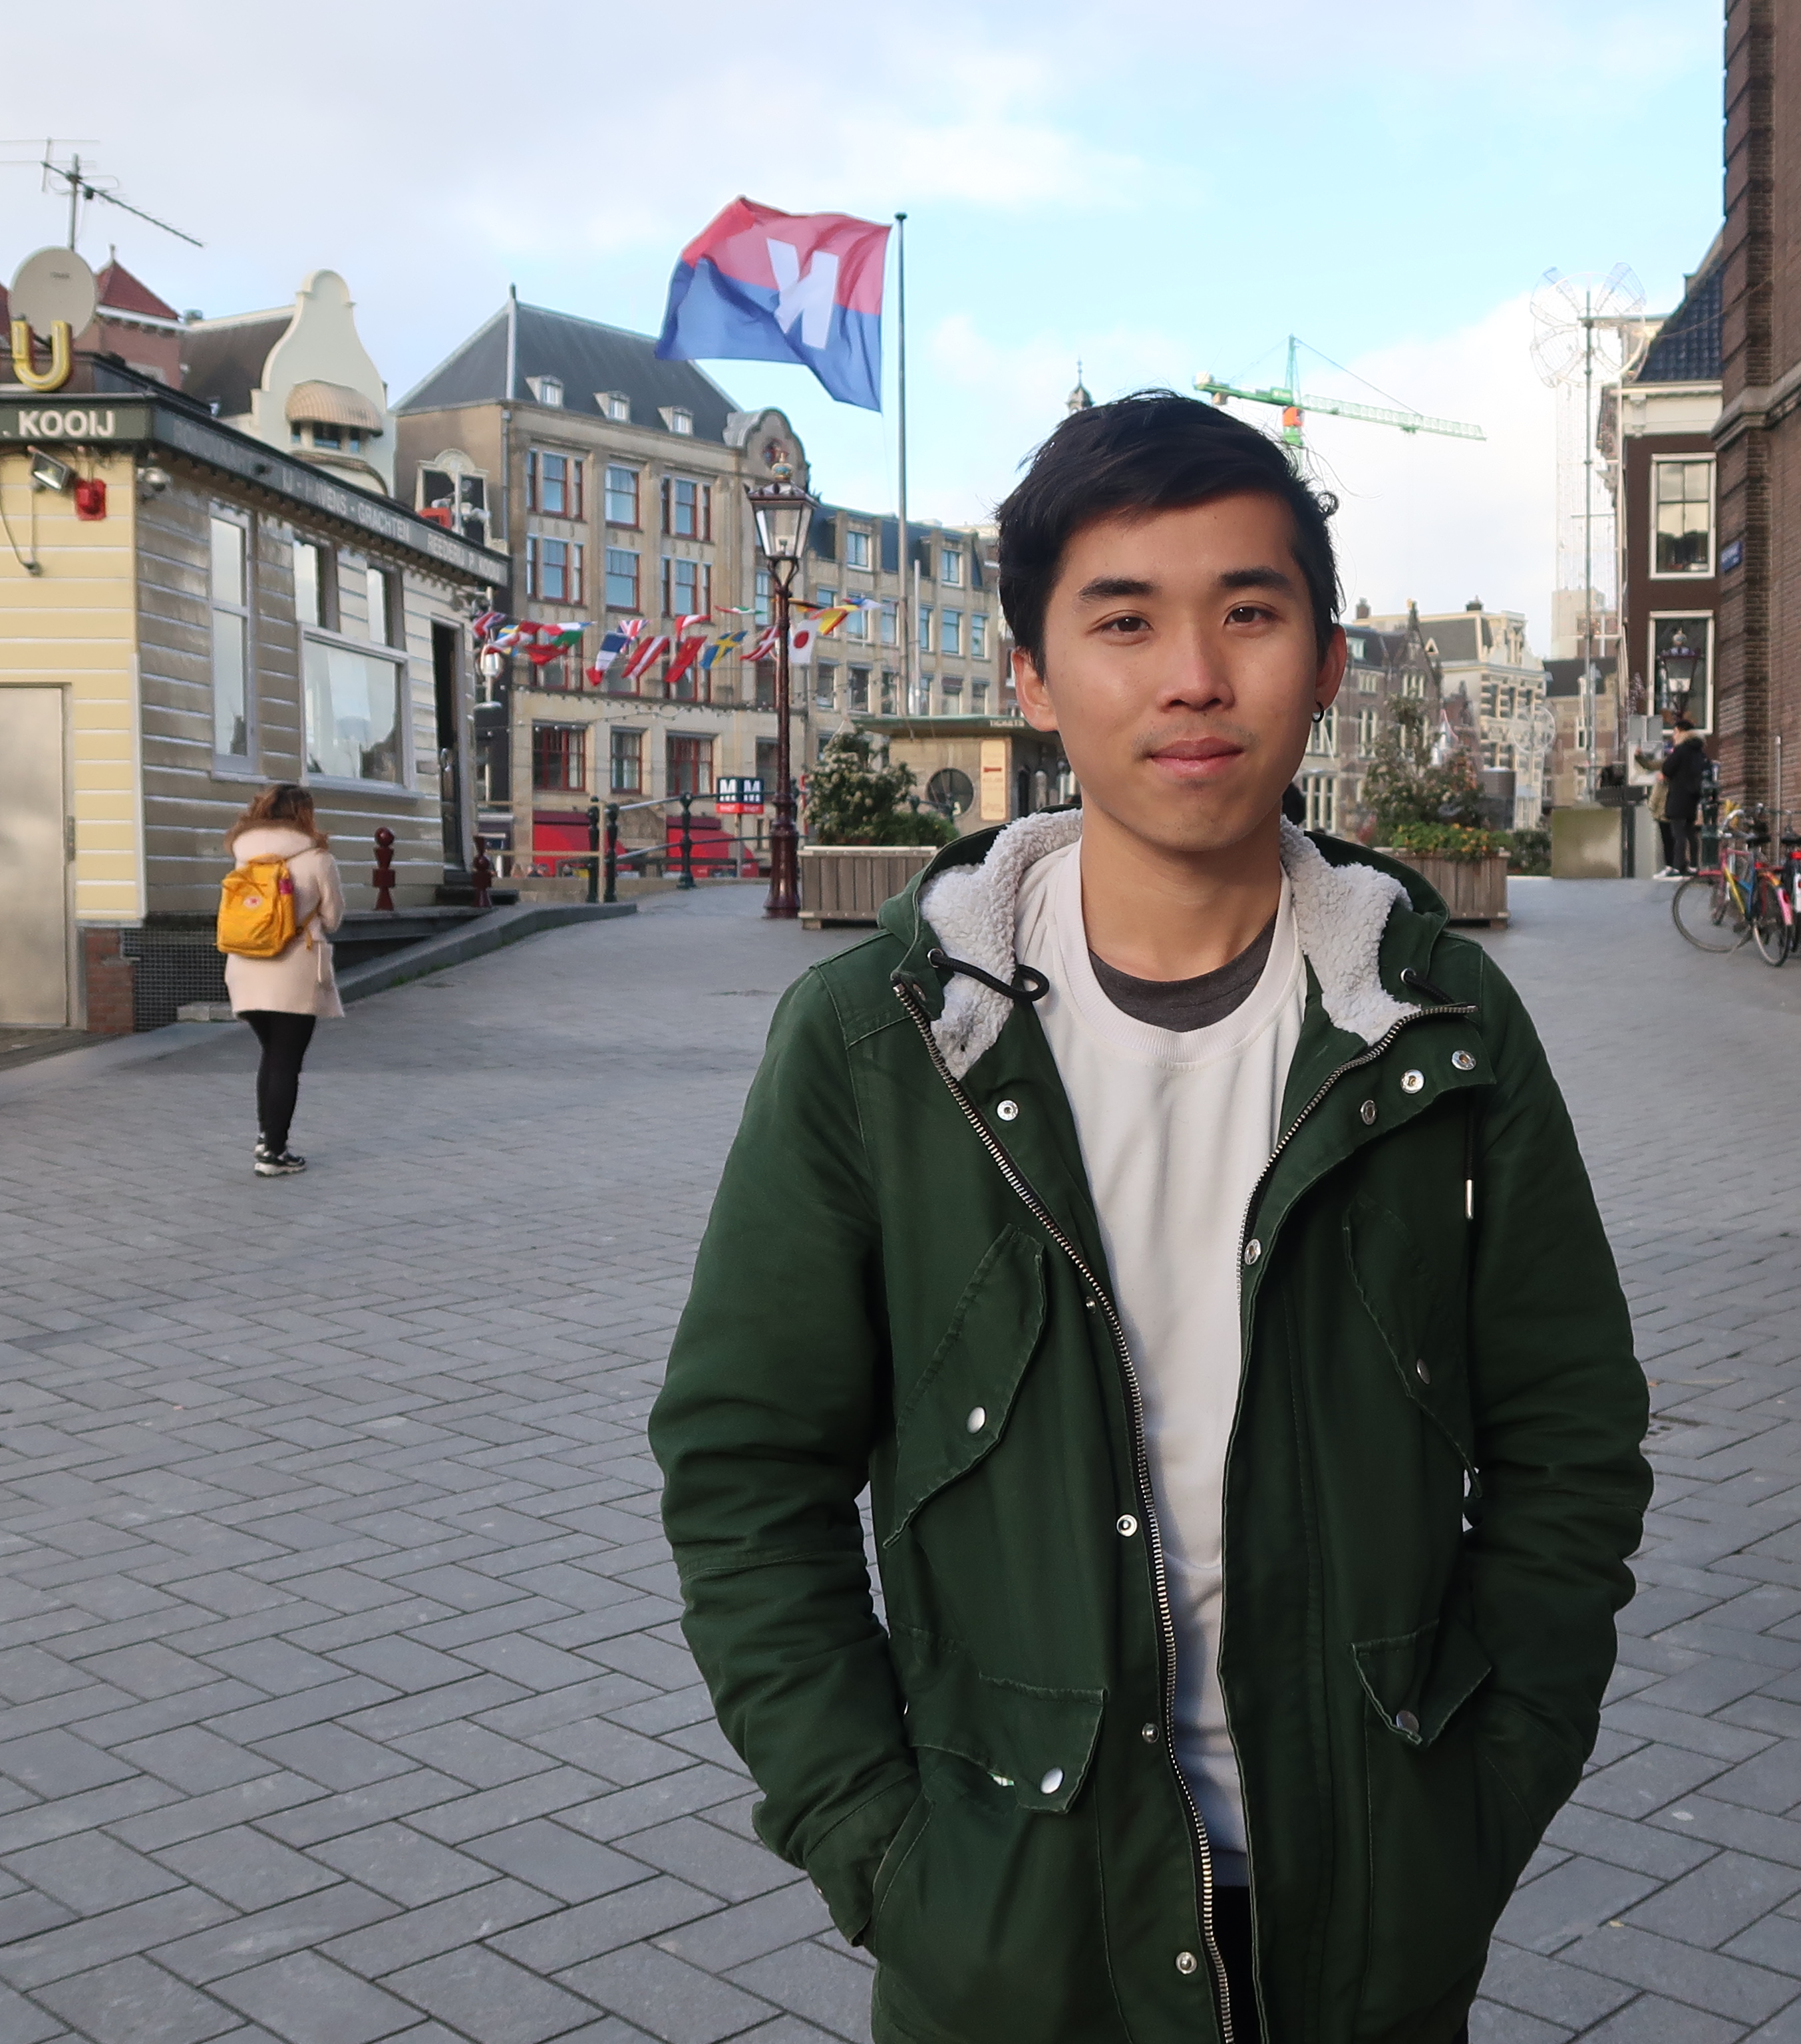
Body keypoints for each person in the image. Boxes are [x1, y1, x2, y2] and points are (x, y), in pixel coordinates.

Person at [653, 392, 1649, 2044]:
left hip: (1365, 1914)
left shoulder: (1438, 1025)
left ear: (1321, 658)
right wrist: (888, 1852)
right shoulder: (881, 1041)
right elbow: (744, 1470)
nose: (1192, 674)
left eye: (1247, 613)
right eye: (1122, 619)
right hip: (1018, 1932)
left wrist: (1478, 1793)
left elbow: (1569, 1436)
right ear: (1032, 677)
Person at [222, 784, 343, 1176]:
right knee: (285, 1061)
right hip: (294, 970)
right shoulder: (317, 858)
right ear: (304, 813)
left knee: (271, 1055)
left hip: (244, 969)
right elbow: (334, 917)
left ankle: (266, 1137)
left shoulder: (242, 855)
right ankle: (274, 1152)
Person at [1651, 718, 1709, 876]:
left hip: (1679, 795)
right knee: (1691, 831)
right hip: (1693, 796)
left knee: (1678, 833)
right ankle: (1694, 866)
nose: (1674, 736)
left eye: (1675, 732)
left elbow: (1668, 768)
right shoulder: (1699, 751)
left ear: (1682, 732)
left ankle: (1678, 867)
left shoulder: (1682, 750)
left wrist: (1665, 773)